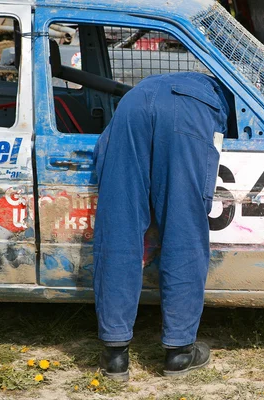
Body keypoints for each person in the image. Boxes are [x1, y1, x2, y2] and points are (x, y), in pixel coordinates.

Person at [92, 72, 230, 381]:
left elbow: (101, 156)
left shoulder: (153, 84)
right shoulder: (219, 87)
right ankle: (179, 353)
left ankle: (115, 354)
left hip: (134, 101)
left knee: (119, 224)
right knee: (183, 227)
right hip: (192, 107)